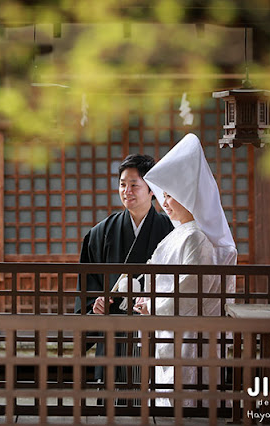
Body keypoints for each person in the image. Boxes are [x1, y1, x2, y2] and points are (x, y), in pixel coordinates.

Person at [119, 133, 238, 407]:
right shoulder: (179, 234)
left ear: (190, 197)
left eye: (172, 195)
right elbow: (154, 274)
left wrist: (154, 305)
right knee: (169, 393)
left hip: (187, 331)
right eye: (165, 195)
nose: (166, 202)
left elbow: (189, 289)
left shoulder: (195, 237)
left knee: (186, 396)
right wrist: (136, 292)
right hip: (171, 327)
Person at [74, 153, 173, 386]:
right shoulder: (101, 233)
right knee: (111, 398)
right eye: (122, 185)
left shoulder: (170, 230)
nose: (126, 191)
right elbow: (89, 285)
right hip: (112, 332)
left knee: (151, 392)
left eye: (134, 185)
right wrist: (94, 305)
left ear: (152, 190)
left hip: (152, 329)